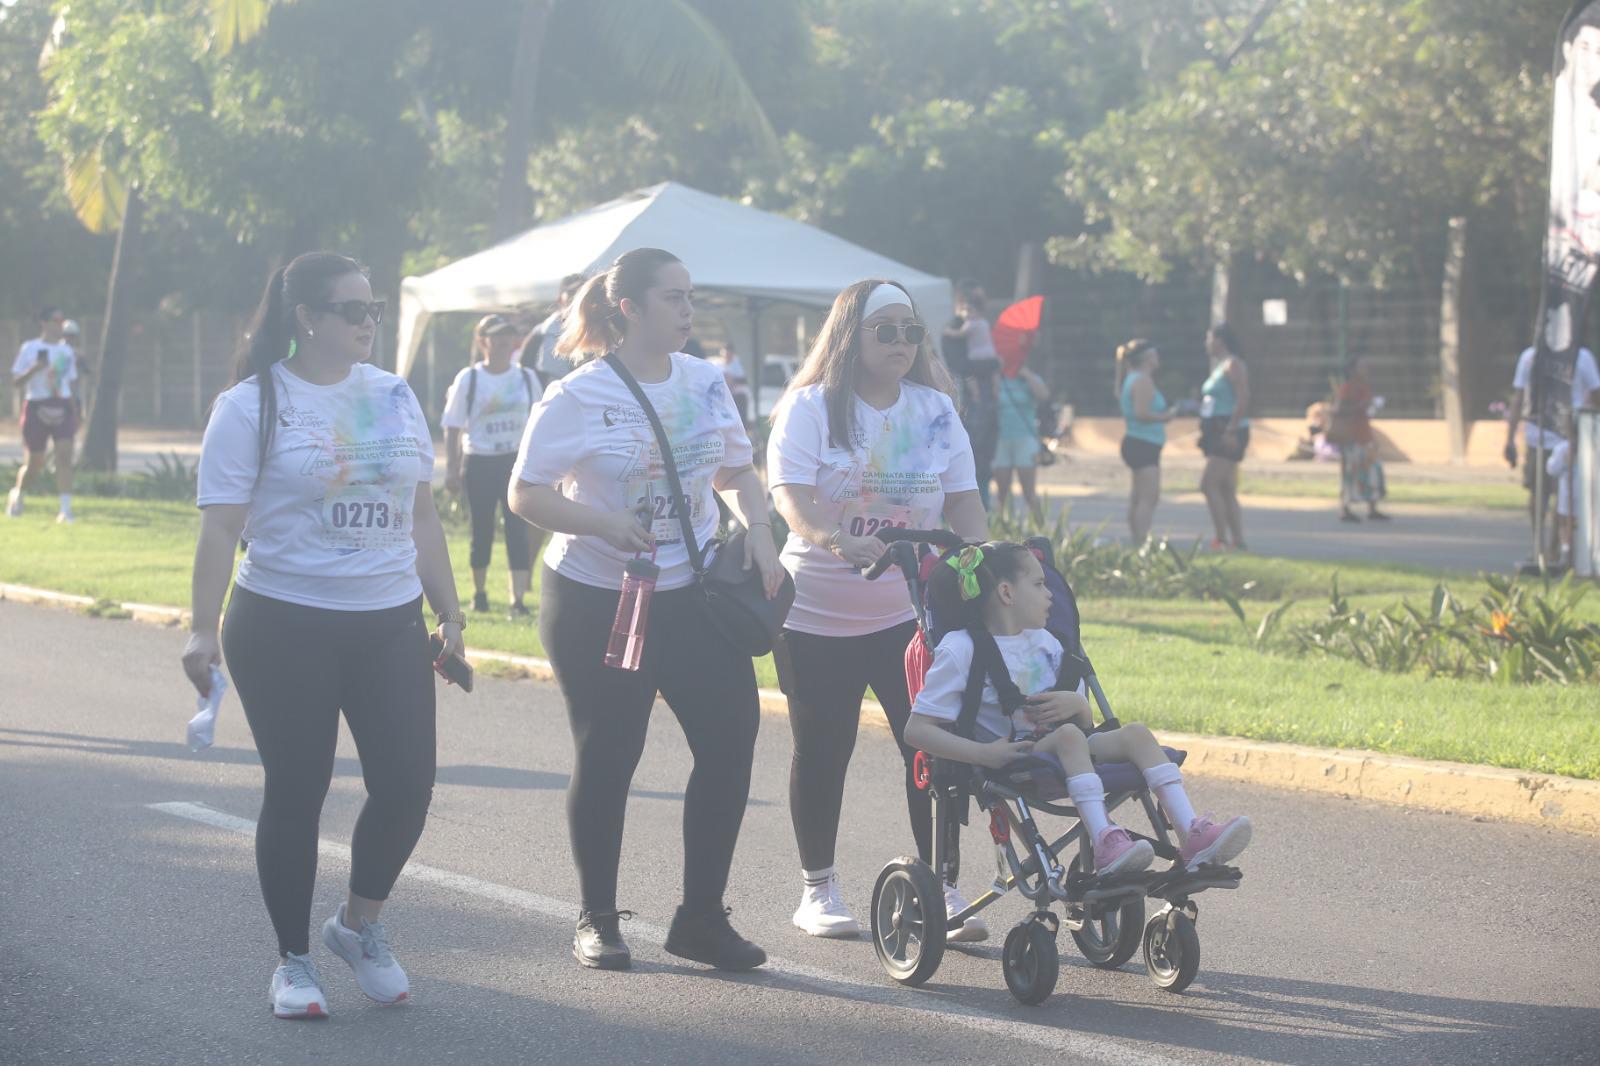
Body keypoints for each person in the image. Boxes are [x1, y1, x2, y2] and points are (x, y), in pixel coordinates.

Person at [181, 252, 465, 1019]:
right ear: (307, 317)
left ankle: (358, 926)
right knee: (299, 790)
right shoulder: (251, 404)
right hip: (283, 622)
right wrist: (200, 631)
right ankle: (294, 960)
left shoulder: (395, 394)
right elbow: (220, 532)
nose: (370, 322)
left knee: (407, 785)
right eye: (353, 310)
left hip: (389, 620)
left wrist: (450, 609)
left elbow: (422, 514)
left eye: (373, 309)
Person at [508, 248, 783, 973]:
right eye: (673, 298)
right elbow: (526, 493)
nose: (688, 310)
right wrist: (599, 522)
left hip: (691, 594)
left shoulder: (703, 380)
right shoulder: (576, 396)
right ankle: (598, 918)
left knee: (729, 743)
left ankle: (700, 919)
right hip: (600, 599)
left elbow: (734, 470)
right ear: (627, 308)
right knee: (610, 754)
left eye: (691, 296)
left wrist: (759, 529)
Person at [767, 279, 989, 942]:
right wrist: (837, 538)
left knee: (933, 751)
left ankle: (942, 891)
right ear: (849, 336)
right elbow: (790, 496)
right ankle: (818, 890)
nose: (899, 343)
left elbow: (963, 502)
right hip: (817, 612)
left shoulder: (936, 409)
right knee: (822, 747)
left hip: (912, 614)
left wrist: (981, 562)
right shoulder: (811, 407)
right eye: (883, 330)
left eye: (910, 331)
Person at [903, 542, 1252, 874]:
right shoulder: (961, 649)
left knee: (1136, 733)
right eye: (1039, 584)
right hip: (1017, 756)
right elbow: (917, 730)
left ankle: (1190, 833)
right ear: (1007, 593)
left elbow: (1082, 720)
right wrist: (983, 754)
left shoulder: (1047, 643)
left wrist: (1078, 705)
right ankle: (1105, 842)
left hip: (1069, 746)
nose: (1049, 594)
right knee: (1069, 736)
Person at [442, 314, 540, 617]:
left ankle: (517, 599)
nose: (504, 342)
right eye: (497, 336)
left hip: (515, 459)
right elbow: (453, 425)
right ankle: (480, 593)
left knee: (517, 529)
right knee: (481, 529)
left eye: (508, 336)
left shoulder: (525, 377)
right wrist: (451, 469)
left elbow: (539, 420)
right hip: (480, 460)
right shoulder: (469, 378)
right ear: (483, 341)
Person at [1504, 342, 1600, 559]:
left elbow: (1596, 393)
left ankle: (1555, 549)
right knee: (1537, 493)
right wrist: (1510, 437)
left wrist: (1583, 425)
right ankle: (1539, 546)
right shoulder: (1530, 356)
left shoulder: (1581, 357)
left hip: (1570, 439)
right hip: (1536, 436)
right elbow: (1519, 396)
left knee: (1565, 497)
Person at [8, 307, 81, 522]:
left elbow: (72, 383)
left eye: (62, 320)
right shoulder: (30, 348)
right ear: (43, 322)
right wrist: (34, 369)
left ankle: (65, 511)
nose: (60, 325)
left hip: (62, 406)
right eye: (56, 320)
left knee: (65, 455)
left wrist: (77, 409)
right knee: (35, 463)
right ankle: (17, 495)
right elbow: (16, 382)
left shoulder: (67, 352)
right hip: (36, 406)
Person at [946, 281, 999, 509]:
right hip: (968, 403)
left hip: (985, 404)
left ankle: (983, 508)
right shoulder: (957, 327)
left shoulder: (974, 325)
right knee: (969, 453)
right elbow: (961, 366)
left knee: (984, 455)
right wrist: (989, 366)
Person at [1116, 339, 1174, 544]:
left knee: (1139, 496)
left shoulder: (1133, 377)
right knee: (1149, 497)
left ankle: (1136, 539)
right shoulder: (1142, 380)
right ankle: (1141, 541)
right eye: (1155, 354)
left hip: (1139, 442)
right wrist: (1166, 416)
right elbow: (1142, 412)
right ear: (1148, 358)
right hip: (1143, 443)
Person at [1198, 324, 1250, 551]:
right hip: (1218, 429)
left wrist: (1231, 430)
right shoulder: (1219, 365)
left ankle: (1221, 538)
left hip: (1228, 430)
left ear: (1220, 340)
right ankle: (1237, 541)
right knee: (1226, 488)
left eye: (1209, 338)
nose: (1206, 343)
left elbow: (1243, 397)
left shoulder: (1233, 364)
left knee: (1208, 484)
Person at [1332, 355, 1389, 522]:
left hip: (1365, 436)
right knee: (1351, 472)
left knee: (1372, 470)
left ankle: (1372, 507)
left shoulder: (1364, 387)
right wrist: (1361, 406)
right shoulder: (1347, 388)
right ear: (1352, 370)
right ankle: (1345, 508)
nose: (1366, 369)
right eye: (1362, 366)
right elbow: (1339, 410)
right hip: (1351, 437)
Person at [992, 362, 1050, 523]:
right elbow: (991, 402)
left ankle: (1040, 527)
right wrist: (996, 379)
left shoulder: (1029, 378)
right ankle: (999, 529)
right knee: (1002, 492)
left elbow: (1044, 396)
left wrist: (1028, 375)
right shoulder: (997, 378)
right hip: (1001, 440)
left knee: (1028, 491)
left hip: (1025, 439)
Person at [521, 273, 587, 389]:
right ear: (560, 300)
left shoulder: (602, 333)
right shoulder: (540, 334)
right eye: (572, 293)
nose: (577, 298)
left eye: (581, 292)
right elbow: (524, 374)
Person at [712, 342, 751, 428]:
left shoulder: (739, 364)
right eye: (726, 353)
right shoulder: (716, 364)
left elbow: (746, 380)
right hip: (721, 395)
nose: (727, 356)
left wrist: (733, 380)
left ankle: (742, 427)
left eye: (730, 353)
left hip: (736, 395)